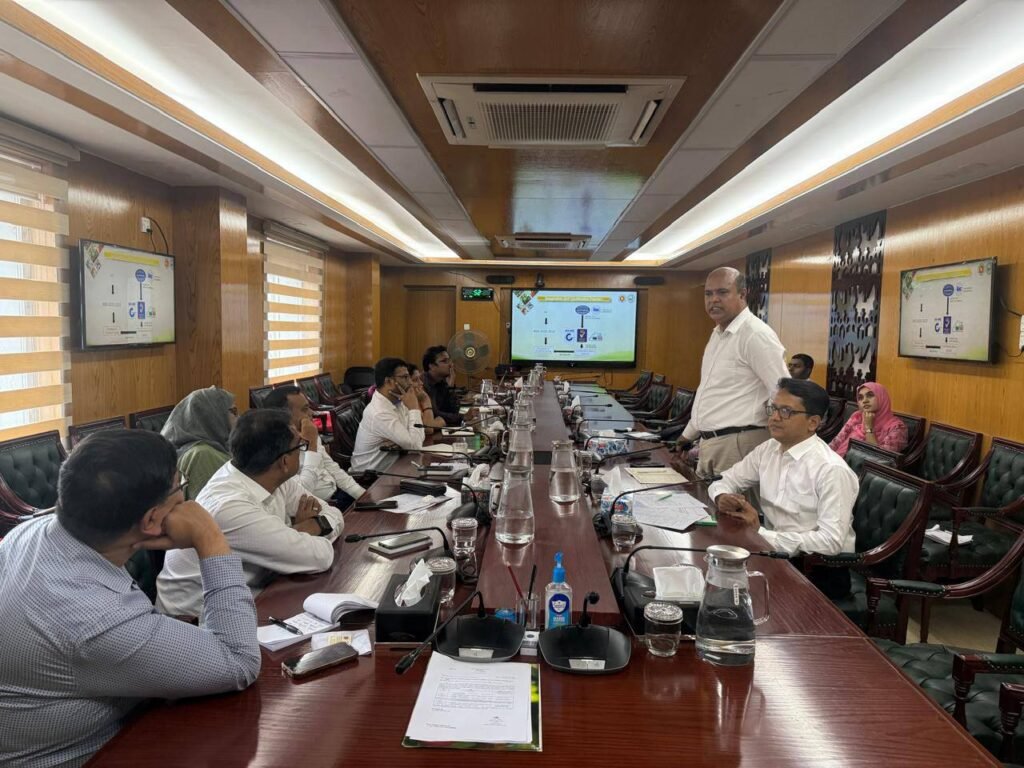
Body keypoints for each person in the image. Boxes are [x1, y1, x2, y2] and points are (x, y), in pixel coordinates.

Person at [0, 430, 260, 768]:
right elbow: (239, 662)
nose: (186, 497)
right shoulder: (96, 621)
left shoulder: (35, 531)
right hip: (93, 755)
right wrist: (210, 539)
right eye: (180, 487)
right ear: (152, 519)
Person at [156, 409, 344, 618]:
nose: (302, 453)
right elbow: (321, 557)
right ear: (284, 462)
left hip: (256, 593)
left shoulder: (266, 474)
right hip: (196, 620)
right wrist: (298, 532)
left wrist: (312, 527)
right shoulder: (230, 507)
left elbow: (334, 514)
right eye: (299, 447)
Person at [708, 378, 859, 598]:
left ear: (812, 422)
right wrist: (721, 496)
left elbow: (830, 542)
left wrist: (761, 534)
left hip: (818, 569)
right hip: (773, 553)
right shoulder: (769, 449)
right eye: (773, 409)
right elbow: (726, 479)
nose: (774, 417)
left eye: (786, 411)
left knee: (732, 596)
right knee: (712, 575)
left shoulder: (831, 470)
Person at [678, 267, 789, 477]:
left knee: (731, 500)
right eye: (708, 294)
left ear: (742, 294)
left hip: (740, 444)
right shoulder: (718, 334)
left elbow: (782, 391)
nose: (714, 299)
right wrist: (688, 434)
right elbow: (712, 392)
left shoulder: (755, 334)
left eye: (722, 292)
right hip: (711, 443)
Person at [263, 385, 366, 507]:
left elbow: (332, 468)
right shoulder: (273, 452)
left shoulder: (308, 431)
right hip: (316, 506)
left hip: (338, 496)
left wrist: (362, 495)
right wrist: (311, 445)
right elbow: (302, 491)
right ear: (283, 417)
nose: (312, 413)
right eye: (305, 409)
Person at [350, 357, 427, 474]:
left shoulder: (399, 401)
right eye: (405, 377)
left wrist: (408, 440)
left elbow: (417, 439)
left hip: (394, 468)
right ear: (389, 381)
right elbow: (415, 446)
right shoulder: (379, 412)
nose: (410, 382)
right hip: (369, 478)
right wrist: (414, 408)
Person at [161, 386, 237, 500]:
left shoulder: (216, 445)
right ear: (214, 416)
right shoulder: (202, 455)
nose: (239, 417)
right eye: (234, 412)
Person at [829, 381, 908, 458]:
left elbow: (879, 459)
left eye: (870, 395)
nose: (865, 400)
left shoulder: (897, 428)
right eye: (860, 398)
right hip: (836, 460)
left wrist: (869, 428)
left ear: (881, 397)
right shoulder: (857, 417)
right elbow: (836, 442)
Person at [422, 345, 462, 426]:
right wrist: (462, 417)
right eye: (444, 361)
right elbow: (435, 413)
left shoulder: (441, 381)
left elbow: (454, 410)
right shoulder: (423, 384)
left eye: (449, 360)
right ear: (432, 366)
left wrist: (450, 386)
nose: (450, 365)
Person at [409, 364, 446, 432]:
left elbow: (439, 420)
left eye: (420, 379)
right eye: (415, 380)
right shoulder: (407, 403)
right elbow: (428, 429)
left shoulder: (419, 398)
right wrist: (426, 401)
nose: (421, 383)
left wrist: (434, 424)